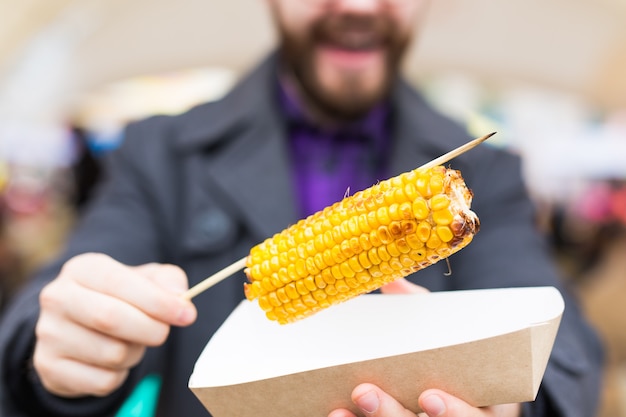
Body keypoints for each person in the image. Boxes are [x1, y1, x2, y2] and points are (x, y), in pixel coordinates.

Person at [0, 0, 604, 416]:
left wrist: (508, 398)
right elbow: (56, 297)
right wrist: (57, 355)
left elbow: (566, 349)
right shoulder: (162, 150)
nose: (360, 7)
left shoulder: (487, 172)